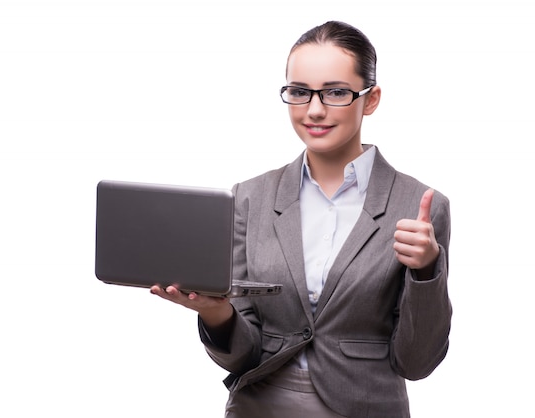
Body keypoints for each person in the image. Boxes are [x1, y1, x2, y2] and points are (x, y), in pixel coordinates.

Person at [150, 20, 452, 417]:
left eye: (336, 93)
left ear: (371, 99)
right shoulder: (249, 198)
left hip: (366, 406)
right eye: (299, 92)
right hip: (260, 405)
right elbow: (241, 355)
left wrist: (427, 270)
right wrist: (214, 310)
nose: (314, 110)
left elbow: (417, 362)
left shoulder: (418, 205)